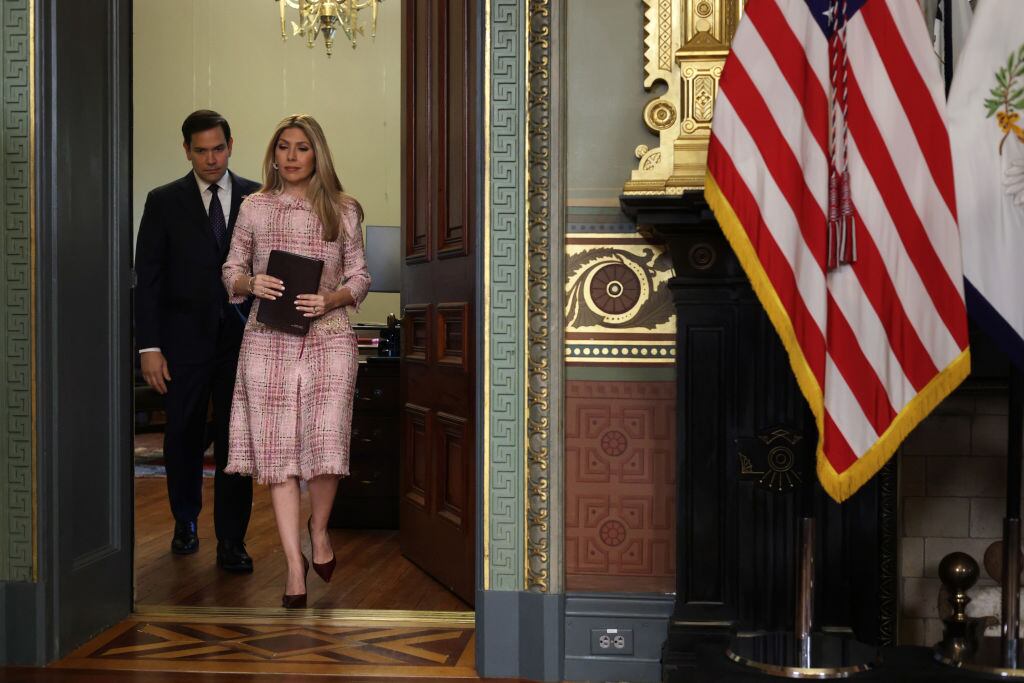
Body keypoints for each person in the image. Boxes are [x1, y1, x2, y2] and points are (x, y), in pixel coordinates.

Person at [221, 114, 370, 608]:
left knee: (326, 444)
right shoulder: (254, 207)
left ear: (317, 154)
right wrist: (249, 285)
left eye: (301, 148)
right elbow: (231, 268)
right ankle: (292, 565)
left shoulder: (344, 209)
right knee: (277, 452)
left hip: (329, 337)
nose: (290, 156)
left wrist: (332, 300)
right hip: (267, 338)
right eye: (283, 146)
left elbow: (361, 277)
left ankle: (319, 531)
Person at [135, 110, 260, 573]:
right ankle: (184, 520)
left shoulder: (258, 197)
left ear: (232, 144)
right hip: (181, 344)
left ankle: (232, 540)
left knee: (236, 443)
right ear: (186, 150)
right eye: (201, 150)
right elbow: (147, 279)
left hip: (244, 342)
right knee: (182, 436)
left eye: (219, 148)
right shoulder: (163, 201)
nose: (211, 159)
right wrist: (149, 347)